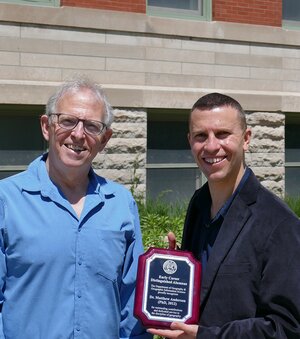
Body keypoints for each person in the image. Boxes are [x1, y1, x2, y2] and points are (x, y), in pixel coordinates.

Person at [0, 76, 152, 339]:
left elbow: (132, 302)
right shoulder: (7, 200)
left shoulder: (120, 204)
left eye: (92, 126)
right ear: (47, 127)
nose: (79, 134)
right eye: (68, 121)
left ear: (104, 139)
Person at [148, 93, 300, 338]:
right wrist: (177, 276)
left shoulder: (280, 224)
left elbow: (287, 328)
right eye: (200, 136)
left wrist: (206, 336)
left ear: (246, 139)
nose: (210, 146)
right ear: (190, 141)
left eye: (222, 134)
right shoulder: (198, 204)